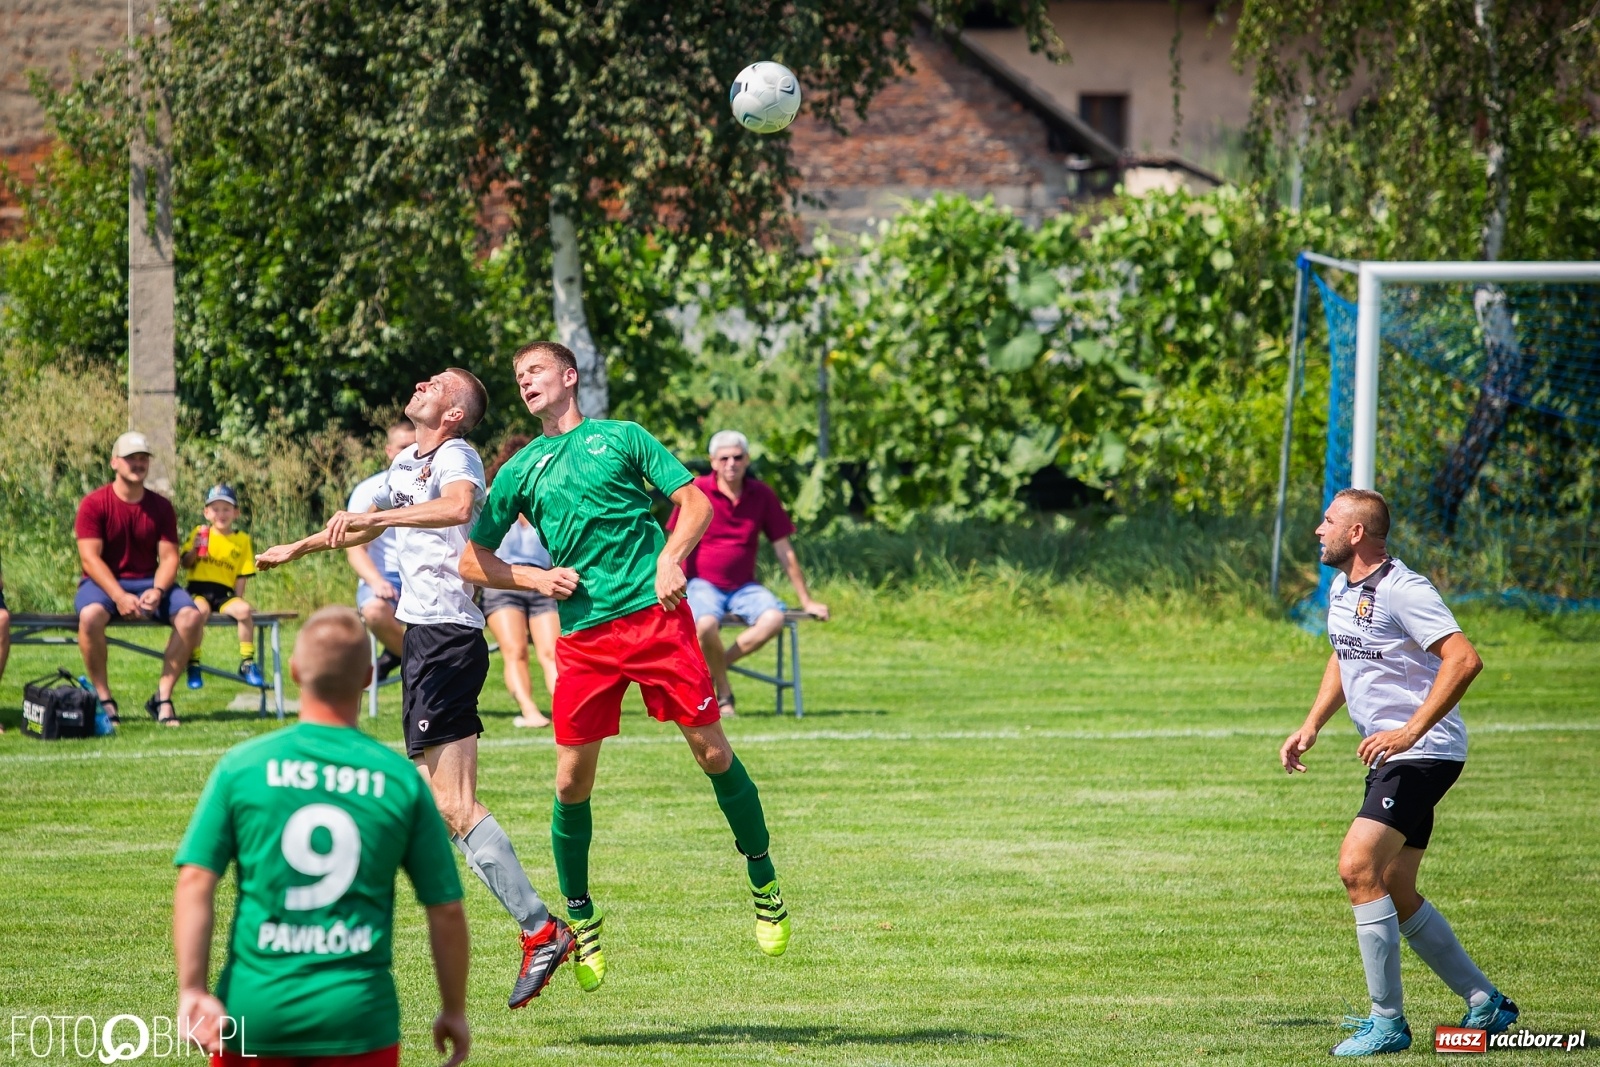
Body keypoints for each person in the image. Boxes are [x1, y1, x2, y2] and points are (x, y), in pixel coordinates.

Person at [461, 341, 791, 998]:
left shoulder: (622, 437)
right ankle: (580, 915)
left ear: (569, 376)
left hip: (656, 617)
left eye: (535, 370)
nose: (525, 380)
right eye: (518, 375)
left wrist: (672, 557)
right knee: (570, 779)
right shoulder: (523, 465)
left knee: (712, 752)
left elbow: (692, 502)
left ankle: (765, 880)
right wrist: (530, 574)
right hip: (583, 635)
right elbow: (472, 558)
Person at [256, 370, 572, 1009]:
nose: (424, 383)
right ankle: (530, 927)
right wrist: (302, 546)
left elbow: (457, 509)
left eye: (438, 384)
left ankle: (542, 929)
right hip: (424, 638)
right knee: (435, 808)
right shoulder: (406, 460)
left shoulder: (458, 456)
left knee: (450, 806)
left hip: (451, 636)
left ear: (453, 412)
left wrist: (386, 515)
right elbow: (367, 524)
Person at [172, 606, 470, 1067]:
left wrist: (192, 989)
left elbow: (195, 880)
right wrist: (453, 1009)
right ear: (369, 677)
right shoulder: (399, 780)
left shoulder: (243, 766)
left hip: (255, 1012)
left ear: (293, 671)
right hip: (356, 1017)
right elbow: (446, 909)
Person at [1279, 489, 1519, 1057]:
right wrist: (1312, 723)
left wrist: (1409, 732)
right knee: (1395, 886)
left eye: (1329, 520)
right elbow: (1345, 652)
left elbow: (1464, 658)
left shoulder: (1402, 589)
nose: (1319, 529)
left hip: (1421, 754)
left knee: (1357, 866)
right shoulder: (1344, 588)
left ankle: (1387, 1022)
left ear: (1357, 533)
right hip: (1397, 755)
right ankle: (1486, 1003)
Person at [667, 429, 829, 716]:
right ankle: (725, 695)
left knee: (774, 618)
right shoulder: (697, 491)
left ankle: (716, 668)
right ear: (713, 462)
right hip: (702, 585)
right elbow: (674, 542)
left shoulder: (762, 494)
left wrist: (807, 601)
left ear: (747, 460)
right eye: (724, 457)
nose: (731, 463)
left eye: (738, 457)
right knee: (704, 626)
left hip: (744, 587)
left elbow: (784, 550)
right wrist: (667, 581)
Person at [74, 431, 205, 727]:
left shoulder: (161, 507)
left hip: (149, 580)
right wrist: (119, 596)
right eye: (131, 458)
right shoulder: (94, 504)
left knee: (191, 617)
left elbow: (170, 557)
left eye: (143, 458)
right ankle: (104, 698)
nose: (138, 463)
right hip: (102, 582)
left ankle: (163, 697)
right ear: (114, 463)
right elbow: (89, 559)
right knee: (91, 616)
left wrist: (158, 590)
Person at [483, 435, 560, 729]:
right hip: (503, 582)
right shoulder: (494, 495)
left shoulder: (549, 496)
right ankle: (529, 710)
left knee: (552, 651)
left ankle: (562, 710)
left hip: (542, 582)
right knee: (515, 650)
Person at [346, 419, 417, 680]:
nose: (408, 452)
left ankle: (398, 655)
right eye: (402, 446)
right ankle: (411, 659)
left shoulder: (435, 484)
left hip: (422, 572)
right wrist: (375, 581)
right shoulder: (368, 490)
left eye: (414, 446)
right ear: (389, 451)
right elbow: (355, 548)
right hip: (385, 574)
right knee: (374, 612)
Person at [180, 484, 265, 689]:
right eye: (216, 509)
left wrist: (238, 597)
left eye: (226, 509)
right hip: (198, 589)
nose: (221, 514)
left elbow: (242, 574)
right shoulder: (200, 532)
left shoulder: (242, 540)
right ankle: (194, 663)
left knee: (244, 611)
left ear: (236, 513)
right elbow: (185, 563)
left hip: (223, 592)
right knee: (199, 611)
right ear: (206, 512)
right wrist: (195, 549)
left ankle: (247, 662)